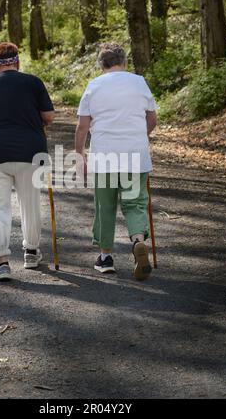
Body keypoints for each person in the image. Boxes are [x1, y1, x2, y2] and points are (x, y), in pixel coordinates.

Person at [75, 43, 157, 281]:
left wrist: (79, 156)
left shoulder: (94, 86)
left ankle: (105, 257)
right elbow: (152, 120)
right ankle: (138, 243)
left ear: (101, 64)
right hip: (135, 156)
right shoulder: (139, 82)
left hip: (105, 157)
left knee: (105, 206)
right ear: (125, 62)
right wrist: (139, 138)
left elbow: (82, 127)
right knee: (135, 204)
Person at [0, 42, 55, 281]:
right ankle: (30, 252)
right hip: (30, 151)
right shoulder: (33, 82)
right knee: (29, 204)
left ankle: (2, 262)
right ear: (18, 62)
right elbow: (48, 116)